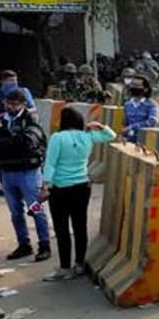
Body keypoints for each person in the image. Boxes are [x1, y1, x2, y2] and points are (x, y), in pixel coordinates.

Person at [40, 106, 115, 280]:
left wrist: (45, 186)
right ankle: (80, 264)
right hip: (82, 187)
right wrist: (99, 125)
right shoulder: (87, 137)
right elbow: (111, 136)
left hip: (60, 189)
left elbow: (50, 164)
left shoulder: (57, 138)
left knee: (62, 229)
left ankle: (65, 268)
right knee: (80, 226)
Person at [0, 89, 51, 262]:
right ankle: (24, 244)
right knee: (15, 212)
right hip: (7, 172)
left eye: (15, 104)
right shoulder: (1, 121)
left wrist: (7, 141)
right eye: (8, 104)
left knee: (35, 209)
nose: (11, 107)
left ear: (23, 104)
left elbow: (30, 141)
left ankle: (44, 244)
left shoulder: (30, 121)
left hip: (28, 173)